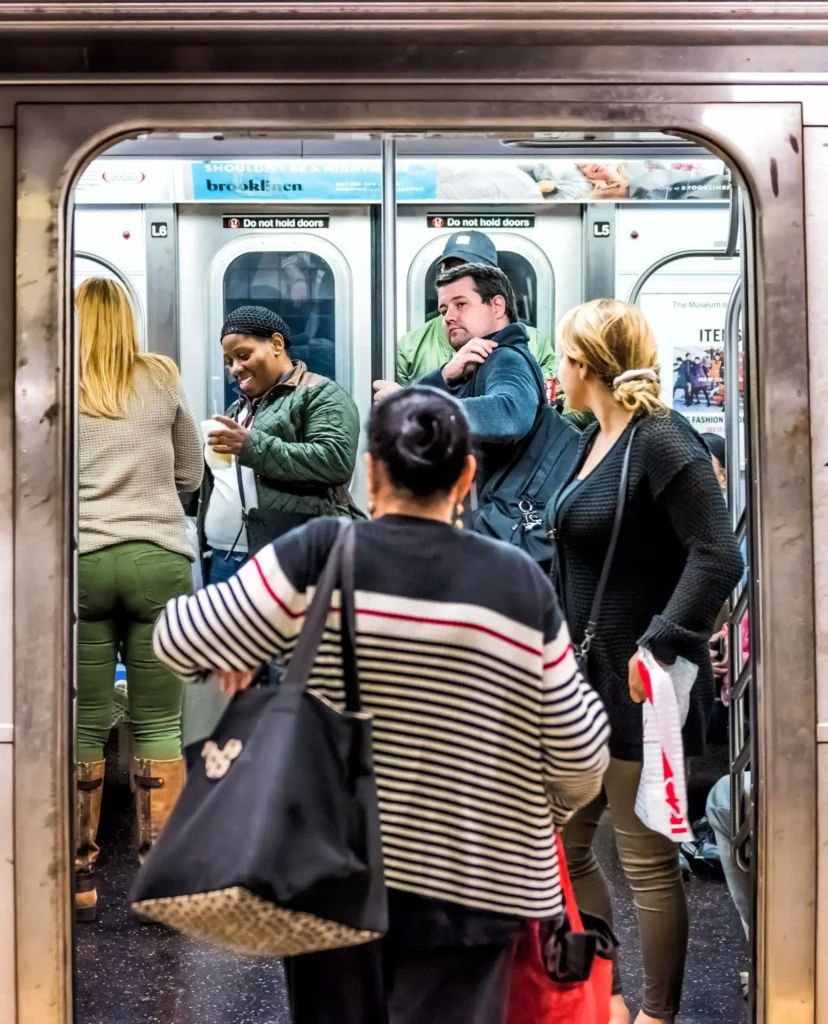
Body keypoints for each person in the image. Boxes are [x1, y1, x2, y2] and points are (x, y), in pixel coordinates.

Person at [153, 387, 612, 1024]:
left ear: (369, 473)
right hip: (479, 880)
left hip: (330, 869)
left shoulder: (323, 553)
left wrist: (250, 645)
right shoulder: (516, 582)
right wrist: (533, 817)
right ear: (467, 477)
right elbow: (581, 754)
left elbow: (178, 638)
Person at [547, 298, 744, 1024]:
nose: (557, 370)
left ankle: (656, 1015)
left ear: (588, 365)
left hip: (644, 685)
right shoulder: (593, 437)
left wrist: (657, 640)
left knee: (646, 861)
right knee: (567, 848)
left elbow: (717, 555)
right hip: (588, 683)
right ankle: (607, 996)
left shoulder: (661, 438)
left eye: (564, 357)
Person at [74, 277, 203, 922]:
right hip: (158, 560)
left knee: (85, 722)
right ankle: (159, 885)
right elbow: (190, 471)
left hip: (83, 564)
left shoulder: (57, 384)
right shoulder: (161, 376)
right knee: (159, 724)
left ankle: (78, 879)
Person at [191, 305, 361, 585]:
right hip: (222, 557)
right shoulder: (237, 410)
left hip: (288, 557)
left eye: (243, 355)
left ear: (277, 344)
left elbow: (335, 460)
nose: (235, 368)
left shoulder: (319, 394)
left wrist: (251, 447)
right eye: (229, 361)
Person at [376, 264, 545, 493]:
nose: (448, 317)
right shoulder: (477, 363)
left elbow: (510, 413)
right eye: (444, 310)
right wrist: (445, 375)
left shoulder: (506, 357)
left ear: (497, 306)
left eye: (461, 304)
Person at [395, 230, 556, 385]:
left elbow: (555, 397)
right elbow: (395, 400)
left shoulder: (533, 343)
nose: (457, 279)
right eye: (450, 271)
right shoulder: (411, 347)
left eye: (469, 272)